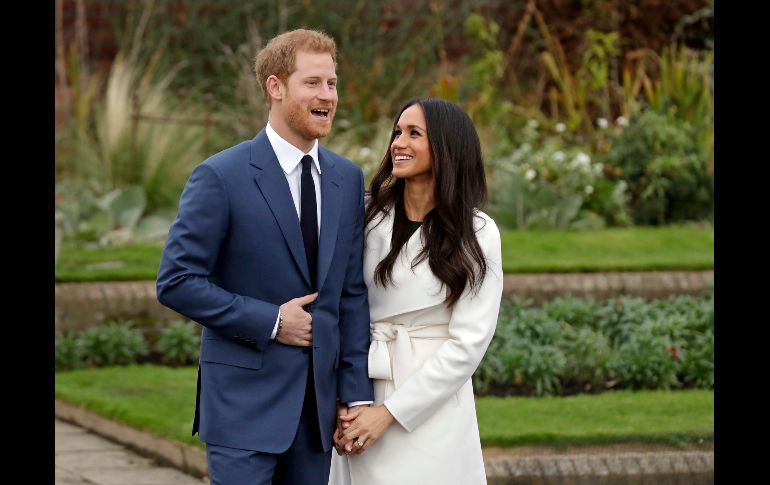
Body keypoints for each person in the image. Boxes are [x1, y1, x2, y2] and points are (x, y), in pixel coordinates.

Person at [156, 29, 373, 485]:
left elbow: (350, 294)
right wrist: (272, 321)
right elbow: (176, 281)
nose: (327, 96)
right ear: (275, 87)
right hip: (242, 411)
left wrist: (354, 395)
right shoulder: (221, 175)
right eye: (312, 83)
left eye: (332, 84)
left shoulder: (347, 179)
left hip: (316, 416)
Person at [328, 97, 504, 485]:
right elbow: (341, 306)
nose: (398, 143)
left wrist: (388, 414)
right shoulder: (366, 215)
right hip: (361, 386)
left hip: (432, 405)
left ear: (446, 146)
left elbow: (468, 345)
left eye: (414, 133)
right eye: (396, 132)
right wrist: (346, 401)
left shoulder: (478, 233)